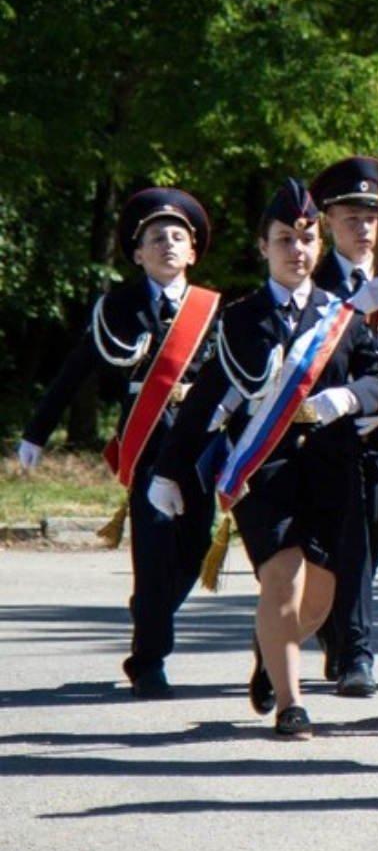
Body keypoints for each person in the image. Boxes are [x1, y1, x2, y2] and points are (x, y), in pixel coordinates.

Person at [150, 180, 378, 738]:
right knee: (282, 580)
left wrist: (349, 397)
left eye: (307, 238)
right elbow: (212, 390)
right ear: (263, 247)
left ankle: (270, 651)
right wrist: (170, 468)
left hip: (332, 473)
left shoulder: (344, 315)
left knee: (319, 598)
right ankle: (292, 704)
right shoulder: (242, 318)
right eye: (285, 239)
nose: (298, 249)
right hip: (264, 471)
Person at [17, 188, 219, 699]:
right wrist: (36, 433)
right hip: (147, 445)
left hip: (200, 445)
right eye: (157, 238)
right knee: (152, 549)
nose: (169, 245)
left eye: (179, 237)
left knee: (193, 550)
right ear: (138, 254)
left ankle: (149, 611)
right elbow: (75, 370)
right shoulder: (119, 307)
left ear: (193, 252)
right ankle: (149, 662)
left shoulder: (212, 310)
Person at [309, 156, 378, 699]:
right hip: (324, 436)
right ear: (327, 221)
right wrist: (351, 308)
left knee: (367, 546)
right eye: (351, 216)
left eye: (372, 216)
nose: (363, 227)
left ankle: (348, 641)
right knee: (330, 546)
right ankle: (352, 648)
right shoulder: (311, 280)